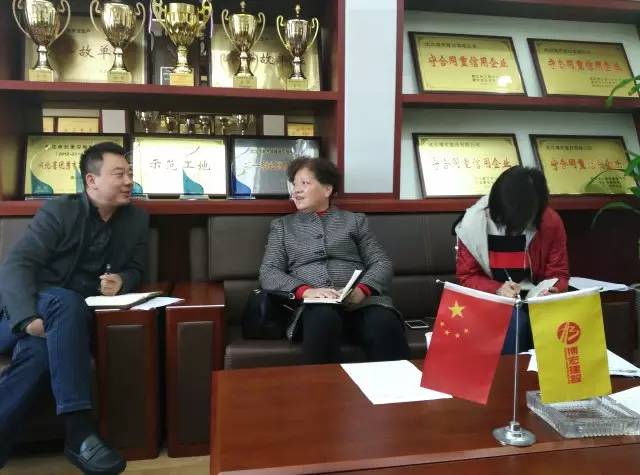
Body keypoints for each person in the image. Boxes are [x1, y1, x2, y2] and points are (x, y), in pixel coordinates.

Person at [0, 142, 149, 473]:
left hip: (70, 326)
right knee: (66, 300)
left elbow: (138, 269)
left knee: (40, 356)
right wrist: (28, 319)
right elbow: (17, 265)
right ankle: (79, 430)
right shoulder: (59, 211)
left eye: (130, 173)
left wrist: (123, 280)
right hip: (28, 308)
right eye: (119, 174)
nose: (129, 181)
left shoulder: (136, 219)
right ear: (91, 180)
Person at [259, 157, 410, 365]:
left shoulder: (354, 221)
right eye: (294, 184)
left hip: (361, 304)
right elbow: (269, 272)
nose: (296, 190)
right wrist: (306, 291)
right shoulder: (283, 227)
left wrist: (363, 290)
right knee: (323, 319)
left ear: (327, 189)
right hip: (315, 307)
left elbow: (381, 262)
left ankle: (397, 385)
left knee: (383, 322)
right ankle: (323, 387)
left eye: (304, 183)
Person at [455, 166, 569, 353]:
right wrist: (497, 289)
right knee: (515, 322)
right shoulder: (472, 224)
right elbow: (467, 277)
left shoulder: (549, 222)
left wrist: (553, 289)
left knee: (562, 318)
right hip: (491, 300)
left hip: (535, 298)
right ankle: (511, 373)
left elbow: (558, 272)